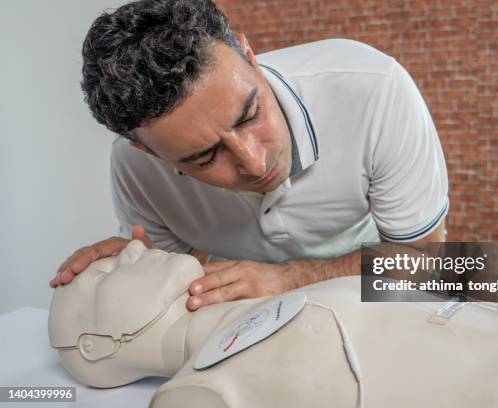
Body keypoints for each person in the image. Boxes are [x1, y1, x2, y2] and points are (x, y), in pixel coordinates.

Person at [49, 0, 449, 311]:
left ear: (248, 55)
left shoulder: (373, 89)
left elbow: (426, 261)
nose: (256, 163)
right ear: (148, 151)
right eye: (205, 157)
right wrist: (137, 268)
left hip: (376, 298)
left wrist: (288, 279)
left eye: (250, 114)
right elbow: (182, 279)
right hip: (247, 324)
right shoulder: (135, 166)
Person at [48, 240, 498, 408]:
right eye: (107, 271)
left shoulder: (274, 299)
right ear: (94, 344)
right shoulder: (203, 392)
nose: (134, 245)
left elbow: (429, 259)